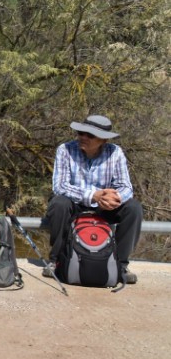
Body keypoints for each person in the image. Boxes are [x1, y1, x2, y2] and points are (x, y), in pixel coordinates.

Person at [43, 115, 142, 284]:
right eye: (81, 132)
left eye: (90, 135)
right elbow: (59, 186)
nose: (83, 137)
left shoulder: (115, 153)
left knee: (133, 208)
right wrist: (93, 195)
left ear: (103, 140)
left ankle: (121, 265)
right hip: (74, 204)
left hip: (104, 207)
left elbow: (126, 187)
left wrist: (114, 198)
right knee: (59, 202)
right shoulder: (65, 150)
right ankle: (56, 260)